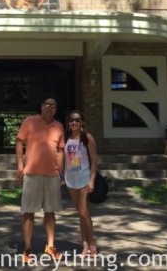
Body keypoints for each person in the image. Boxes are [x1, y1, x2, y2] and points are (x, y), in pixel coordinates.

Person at [15, 96, 65, 263]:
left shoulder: (59, 126)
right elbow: (19, 143)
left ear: (56, 109)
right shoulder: (29, 121)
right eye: (47, 104)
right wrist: (20, 167)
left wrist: (61, 172)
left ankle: (50, 246)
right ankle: (28, 248)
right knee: (28, 211)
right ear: (41, 106)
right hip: (32, 173)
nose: (50, 107)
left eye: (54, 105)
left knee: (50, 212)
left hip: (52, 175)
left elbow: (61, 150)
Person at [63, 110, 98, 257]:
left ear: (82, 122)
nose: (74, 123)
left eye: (77, 120)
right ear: (68, 122)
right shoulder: (65, 138)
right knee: (81, 214)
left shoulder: (87, 138)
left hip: (84, 178)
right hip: (71, 180)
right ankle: (84, 246)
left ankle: (92, 245)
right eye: (71, 120)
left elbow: (94, 160)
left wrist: (92, 180)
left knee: (84, 213)